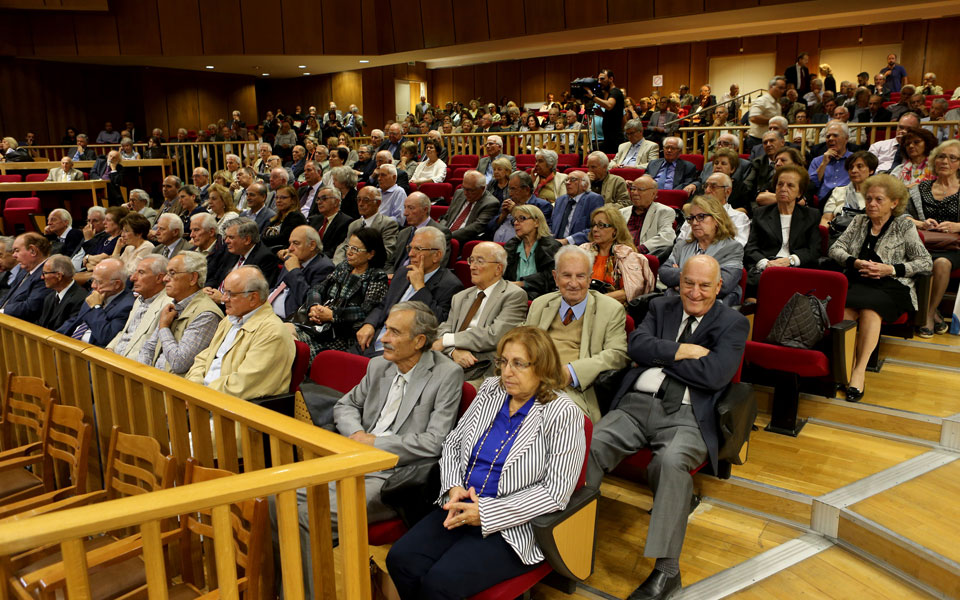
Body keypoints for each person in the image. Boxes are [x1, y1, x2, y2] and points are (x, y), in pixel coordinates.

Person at [586, 254, 748, 600]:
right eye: (689, 282)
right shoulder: (661, 307)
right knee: (591, 444)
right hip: (634, 407)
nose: (695, 291)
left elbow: (715, 375)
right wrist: (684, 352)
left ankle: (667, 571)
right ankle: (571, 533)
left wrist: (660, 356)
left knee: (671, 463)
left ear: (718, 287)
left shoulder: (733, 322)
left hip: (688, 416)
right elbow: (636, 345)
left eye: (705, 285)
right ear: (679, 282)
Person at [387, 326, 586, 600]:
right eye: (503, 362)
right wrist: (454, 485)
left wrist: (488, 513)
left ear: (542, 367)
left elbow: (556, 492)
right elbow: (455, 442)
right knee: (401, 560)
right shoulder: (492, 390)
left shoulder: (563, 413)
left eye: (519, 364)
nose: (507, 372)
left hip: (514, 524)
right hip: (461, 505)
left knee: (440, 583)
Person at [287, 300, 463, 597]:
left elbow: (436, 440)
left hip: (395, 476)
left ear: (419, 341)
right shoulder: (380, 364)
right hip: (353, 458)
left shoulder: (447, 375)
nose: (383, 338)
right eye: (386, 330)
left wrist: (376, 443)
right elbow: (346, 405)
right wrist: (357, 434)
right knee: (276, 499)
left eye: (394, 332)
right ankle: (291, 589)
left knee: (305, 515)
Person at [830, 175, 931, 401]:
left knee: (870, 310)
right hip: (859, 279)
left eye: (879, 200)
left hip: (892, 285)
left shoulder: (904, 225)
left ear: (894, 203)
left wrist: (890, 269)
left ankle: (858, 371)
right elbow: (835, 248)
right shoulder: (859, 221)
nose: (872, 204)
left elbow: (925, 262)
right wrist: (853, 262)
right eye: (869, 199)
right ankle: (843, 367)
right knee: (845, 312)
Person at [525, 245, 630, 422]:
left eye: (580, 276)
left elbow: (618, 354)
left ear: (590, 279)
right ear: (555, 277)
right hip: (531, 379)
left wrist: (570, 372)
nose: (573, 283)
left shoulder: (610, 310)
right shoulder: (540, 304)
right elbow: (521, 343)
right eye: (566, 275)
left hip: (572, 390)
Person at [186, 266, 294, 398]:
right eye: (224, 292)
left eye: (231, 294)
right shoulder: (229, 320)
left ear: (253, 298)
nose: (224, 299)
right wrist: (193, 385)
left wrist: (200, 394)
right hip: (203, 397)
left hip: (230, 409)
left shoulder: (272, 332)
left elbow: (243, 384)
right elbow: (204, 358)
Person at [357, 227, 462, 357]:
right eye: (410, 248)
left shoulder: (450, 285)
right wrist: (369, 324)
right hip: (372, 339)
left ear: (437, 255)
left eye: (418, 249)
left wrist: (420, 288)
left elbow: (437, 323)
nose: (411, 254)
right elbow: (384, 305)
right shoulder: (402, 272)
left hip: (402, 350)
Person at [432, 242, 528, 383]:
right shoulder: (461, 296)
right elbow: (444, 329)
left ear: (498, 268)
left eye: (480, 261)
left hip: (482, 367)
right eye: (471, 260)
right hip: (450, 359)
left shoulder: (513, 295)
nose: (472, 266)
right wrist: (453, 351)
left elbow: (495, 335)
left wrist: (448, 340)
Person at [291, 228, 389, 358]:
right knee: (282, 331)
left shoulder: (377, 276)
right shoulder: (344, 267)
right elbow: (317, 289)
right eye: (349, 247)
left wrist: (332, 315)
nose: (349, 252)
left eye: (355, 249)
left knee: (288, 344)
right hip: (318, 326)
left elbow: (365, 311)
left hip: (340, 336)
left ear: (371, 254)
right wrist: (314, 306)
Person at [906, 140, 960, 337]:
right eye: (941, 156)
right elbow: (901, 216)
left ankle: (927, 314)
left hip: (953, 248)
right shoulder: (918, 189)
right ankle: (935, 315)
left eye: (952, 158)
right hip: (921, 244)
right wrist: (920, 224)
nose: (945, 161)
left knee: (942, 264)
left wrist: (957, 226)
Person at [139, 251, 224, 374]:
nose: (165, 279)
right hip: (153, 379)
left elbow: (179, 363)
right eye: (167, 273)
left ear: (193, 278)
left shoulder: (207, 314)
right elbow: (149, 348)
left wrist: (163, 327)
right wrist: (142, 375)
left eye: (172, 273)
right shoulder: (174, 305)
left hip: (173, 386)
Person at [744, 165, 821, 289]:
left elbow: (814, 250)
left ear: (799, 192)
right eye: (780, 184)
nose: (783, 189)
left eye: (790, 186)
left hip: (796, 268)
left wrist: (790, 260)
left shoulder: (811, 215)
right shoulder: (761, 213)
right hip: (767, 267)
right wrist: (766, 264)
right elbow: (751, 248)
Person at [661, 196, 744, 305]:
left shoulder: (732, 248)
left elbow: (724, 285)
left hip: (711, 311)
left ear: (717, 219)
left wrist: (680, 281)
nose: (694, 223)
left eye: (701, 217)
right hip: (675, 306)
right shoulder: (682, 246)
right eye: (691, 218)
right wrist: (704, 279)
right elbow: (664, 273)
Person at [580, 205, 656, 303]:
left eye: (601, 225)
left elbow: (630, 292)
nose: (595, 229)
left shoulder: (627, 256)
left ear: (615, 230)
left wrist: (594, 301)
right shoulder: (582, 251)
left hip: (612, 308)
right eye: (593, 225)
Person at [57, 258, 135, 346]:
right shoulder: (96, 292)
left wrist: (96, 307)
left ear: (117, 284)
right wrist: (55, 336)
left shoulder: (128, 306)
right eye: (92, 280)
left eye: (98, 282)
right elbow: (78, 319)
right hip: (71, 344)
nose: (93, 286)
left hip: (90, 352)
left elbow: (106, 337)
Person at [106, 256, 170, 360]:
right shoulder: (139, 299)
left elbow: (152, 349)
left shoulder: (168, 305)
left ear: (159, 278)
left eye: (141, 273)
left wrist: (117, 361)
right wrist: (110, 349)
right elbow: (125, 332)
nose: (132, 278)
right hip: (114, 359)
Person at [267, 225, 334, 320]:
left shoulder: (324, 268)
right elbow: (277, 287)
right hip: (267, 310)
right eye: (290, 243)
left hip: (287, 320)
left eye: (296, 243)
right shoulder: (294, 258)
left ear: (312, 245)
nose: (290, 248)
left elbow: (307, 302)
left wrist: (294, 271)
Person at [204, 217, 280, 294]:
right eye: (226, 236)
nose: (226, 241)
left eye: (231, 237)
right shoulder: (231, 250)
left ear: (247, 240)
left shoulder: (265, 259)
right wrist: (209, 287)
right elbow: (215, 276)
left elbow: (257, 294)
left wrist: (223, 299)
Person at [680, 170, 751, 246]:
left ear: (727, 191)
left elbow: (737, 246)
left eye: (713, 187)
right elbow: (681, 241)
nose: (707, 190)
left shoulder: (738, 217)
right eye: (706, 186)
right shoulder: (693, 214)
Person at [503, 204, 561, 299]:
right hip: (512, 296)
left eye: (522, 218)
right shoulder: (511, 246)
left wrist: (521, 283)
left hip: (541, 298)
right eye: (515, 219)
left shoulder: (551, 246)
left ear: (536, 222)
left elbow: (551, 277)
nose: (516, 223)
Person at [333, 186, 400, 264]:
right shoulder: (354, 224)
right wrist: (338, 265)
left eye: (366, 200)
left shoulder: (388, 224)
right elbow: (344, 247)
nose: (361, 204)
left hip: (375, 268)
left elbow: (388, 253)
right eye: (358, 200)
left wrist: (358, 262)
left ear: (378, 203)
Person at [620, 176, 677, 261]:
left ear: (653, 194)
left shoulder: (664, 211)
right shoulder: (621, 212)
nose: (634, 193)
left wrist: (638, 250)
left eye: (640, 189)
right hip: (619, 255)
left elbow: (667, 236)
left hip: (643, 257)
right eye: (632, 189)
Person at [487, 171, 553, 244]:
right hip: (495, 246)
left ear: (527, 190)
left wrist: (514, 212)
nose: (510, 193)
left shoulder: (542, 206)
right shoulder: (508, 203)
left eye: (513, 189)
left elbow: (542, 233)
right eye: (509, 189)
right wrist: (502, 216)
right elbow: (489, 228)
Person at [821, 151, 879, 231]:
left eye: (859, 166)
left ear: (871, 171)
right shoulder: (838, 191)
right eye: (851, 167)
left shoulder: (878, 195)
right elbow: (826, 219)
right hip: (838, 236)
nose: (854, 170)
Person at [0, 233, 54, 320]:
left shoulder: (47, 273)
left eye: (17, 250)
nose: (14, 255)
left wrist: (2, 311)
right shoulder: (24, 271)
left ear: (33, 251)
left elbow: (31, 307)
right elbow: (8, 296)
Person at [439, 170, 500, 244]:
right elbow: (446, 217)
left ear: (482, 188)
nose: (465, 193)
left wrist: (446, 237)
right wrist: (439, 232)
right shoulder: (459, 193)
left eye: (470, 190)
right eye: (464, 188)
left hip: (463, 241)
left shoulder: (491, 203)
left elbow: (476, 228)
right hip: (444, 237)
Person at [550, 170, 606, 246]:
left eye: (573, 180)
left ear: (585, 185)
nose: (567, 183)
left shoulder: (593, 199)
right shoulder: (560, 200)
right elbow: (552, 224)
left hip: (579, 246)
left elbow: (595, 228)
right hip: (555, 244)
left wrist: (567, 241)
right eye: (566, 180)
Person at [37, 255, 86, 331]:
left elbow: (67, 331)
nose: (42, 277)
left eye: (45, 273)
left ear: (59, 276)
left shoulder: (80, 299)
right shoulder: (49, 297)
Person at [808, 122, 853, 202]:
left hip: (847, 201)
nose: (830, 139)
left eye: (835, 135)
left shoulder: (855, 159)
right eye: (828, 136)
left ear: (846, 139)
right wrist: (823, 164)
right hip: (823, 202)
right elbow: (810, 185)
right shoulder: (817, 161)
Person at [261, 184, 307, 251]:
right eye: (277, 198)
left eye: (283, 198)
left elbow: (283, 239)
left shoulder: (296, 217)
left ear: (293, 200)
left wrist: (260, 240)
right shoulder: (276, 218)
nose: (279, 200)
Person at [747, 77, 786, 151]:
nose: (782, 91)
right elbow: (753, 118)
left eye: (784, 88)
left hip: (772, 139)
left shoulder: (778, 105)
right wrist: (774, 122)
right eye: (780, 88)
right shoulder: (762, 100)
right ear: (771, 87)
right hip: (758, 140)